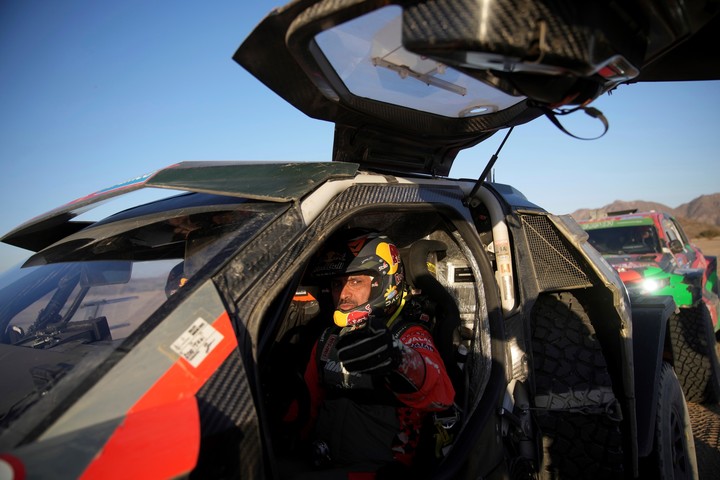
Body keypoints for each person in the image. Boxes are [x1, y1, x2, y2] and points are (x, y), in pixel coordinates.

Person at [292, 231, 455, 478]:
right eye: (338, 284)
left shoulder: (408, 334)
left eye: (356, 282)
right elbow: (304, 409)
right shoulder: (329, 338)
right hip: (324, 462)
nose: (344, 294)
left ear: (384, 282)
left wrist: (398, 358)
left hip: (383, 469)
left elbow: (440, 394)